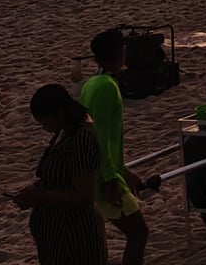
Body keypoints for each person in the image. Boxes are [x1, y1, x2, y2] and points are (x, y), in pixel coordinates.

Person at [12, 84, 106, 265]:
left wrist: (42, 196)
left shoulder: (81, 138)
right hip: (58, 237)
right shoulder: (64, 133)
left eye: (45, 123)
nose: (45, 129)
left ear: (60, 113)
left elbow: (84, 196)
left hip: (73, 236)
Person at [82, 30, 147, 265]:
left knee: (137, 233)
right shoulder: (106, 88)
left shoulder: (94, 83)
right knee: (138, 233)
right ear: (120, 53)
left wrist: (124, 172)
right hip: (103, 176)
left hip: (106, 171)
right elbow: (99, 138)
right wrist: (111, 180)